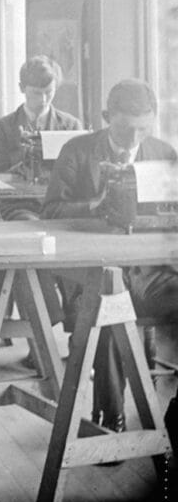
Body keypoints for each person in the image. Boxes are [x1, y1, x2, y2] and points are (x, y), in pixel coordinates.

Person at [42, 79, 178, 434]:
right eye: (124, 129)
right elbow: (51, 211)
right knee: (106, 309)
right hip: (90, 273)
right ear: (106, 117)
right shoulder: (77, 150)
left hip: (147, 273)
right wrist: (94, 207)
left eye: (143, 129)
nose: (134, 140)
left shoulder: (164, 154)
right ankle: (111, 420)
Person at [0, 55, 82, 220]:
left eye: (49, 92)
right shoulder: (3, 127)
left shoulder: (72, 126)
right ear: (21, 88)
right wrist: (21, 167)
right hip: (20, 205)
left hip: (61, 204)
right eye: (36, 93)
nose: (43, 100)